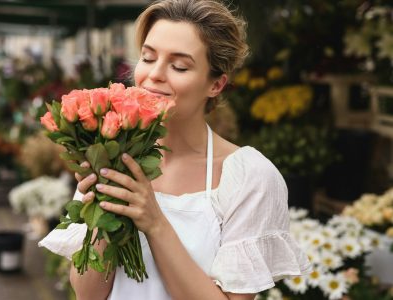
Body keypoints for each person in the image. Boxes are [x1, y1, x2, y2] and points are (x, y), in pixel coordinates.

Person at [39, 0, 311, 299]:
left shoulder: (250, 177)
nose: (154, 74)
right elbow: (88, 295)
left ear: (216, 85)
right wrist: (100, 213)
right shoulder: (110, 153)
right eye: (147, 57)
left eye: (179, 65)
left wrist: (155, 224)